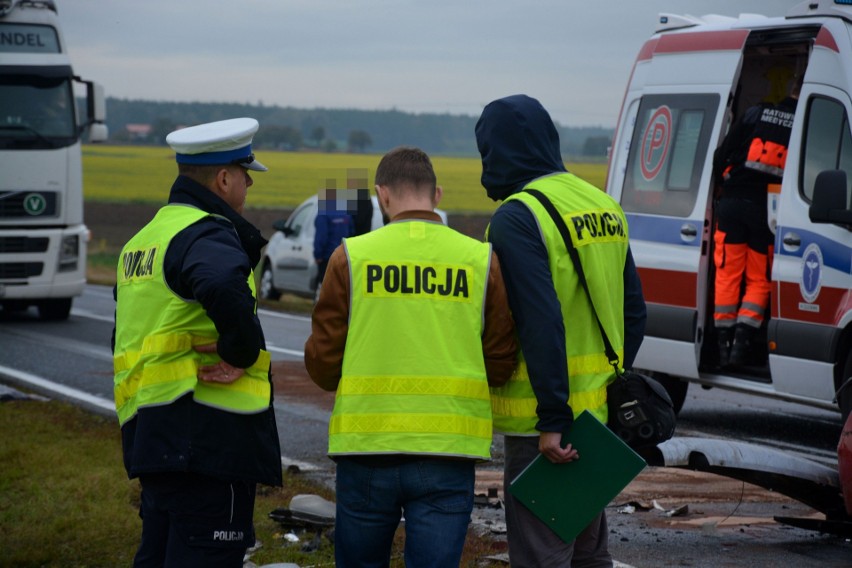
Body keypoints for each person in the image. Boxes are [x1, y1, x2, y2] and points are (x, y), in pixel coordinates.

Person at [304, 146, 517, 567]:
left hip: (366, 448)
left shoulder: (350, 256)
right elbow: (500, 358)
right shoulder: (480, 259)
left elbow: (325, 363)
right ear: (436, 194)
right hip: (448, 452)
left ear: (382, 196)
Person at [475, 94, 647, 567]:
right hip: (597, 420)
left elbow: (539, 319)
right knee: (589, 552)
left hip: (544, 427)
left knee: (540, 554)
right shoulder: (602, 204)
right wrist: (607, 386)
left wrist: (552, 417)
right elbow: (635, 313)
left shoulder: (518, 216)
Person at [112, 117, 283, 567]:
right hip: (207, 440)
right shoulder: (204, 231)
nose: (248, 185)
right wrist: (239, 351)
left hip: (153, 438)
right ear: (224, 178)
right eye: (245, 175)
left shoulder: (143, 241)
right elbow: (224, 285)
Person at [712, 72, 801, 366]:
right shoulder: (802, 126)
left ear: (791, 88)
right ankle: (742, 344)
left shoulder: (756, 112)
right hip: (768, 213)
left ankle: (722, 346)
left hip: (734, 203)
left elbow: (721, 154)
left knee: (727, 272)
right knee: (759, 278)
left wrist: (722, 186)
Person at [314, 187, 354, 286]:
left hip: (327, 256)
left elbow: (321, 237)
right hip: (344, 255)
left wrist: (318, 255)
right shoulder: (346, 214)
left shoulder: (323, 215)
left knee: (324, 284)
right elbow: (352, 232)